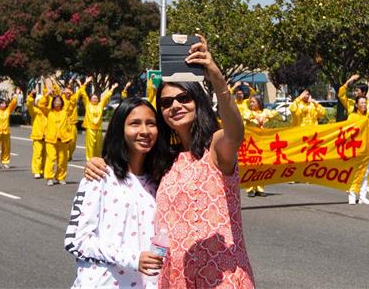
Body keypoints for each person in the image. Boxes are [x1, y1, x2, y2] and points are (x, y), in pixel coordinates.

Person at [85, 35, 255, 288]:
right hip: (174, 278)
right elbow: (130, 165)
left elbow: (235, 131)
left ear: (198, 101)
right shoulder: (165, 161)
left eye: (183, 98)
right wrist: (100, 163)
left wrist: (216, 77)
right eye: (166, 103)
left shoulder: (216, 148)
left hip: (221, 276)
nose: (175, 106)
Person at [65, 97, 169, 289]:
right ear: (119, 129)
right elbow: (76, 241)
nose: (144, 131)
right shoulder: (100, 175)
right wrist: (133, 259)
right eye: (135, 124)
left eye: (151, 124)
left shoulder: (159, 181)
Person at [38, 86, 76, 186]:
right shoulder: (48, 112)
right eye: (55, 101)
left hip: (63, 139)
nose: (57, 102)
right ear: (52, 102)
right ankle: (49, 177)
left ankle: (61, 177)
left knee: (63, 160)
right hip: (51, 139)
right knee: (51, 158)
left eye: (59, 101)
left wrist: (70, 94)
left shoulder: (65, 112)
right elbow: (40, 104)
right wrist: (46, 95)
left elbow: (72, 103)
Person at [244, 95, 279, 197]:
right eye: (250, 102)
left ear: (259, 102)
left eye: (253, 102)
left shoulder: (265, 112)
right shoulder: (248, 112)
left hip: (262, 142)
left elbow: (275, 113)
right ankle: (250, 188)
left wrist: (265, 117)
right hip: (251, 143)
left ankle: (260, 188)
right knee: (251, 165)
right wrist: (256, 117)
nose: (251, 104)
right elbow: (246, 116)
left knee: (262, 165)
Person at [79, 77, 118, 161]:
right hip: (90, 129)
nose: (95, 99)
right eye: (93, 98)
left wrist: (112, 88)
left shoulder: (100, 105)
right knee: (90, 146)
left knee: (98, 146)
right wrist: (85, 83)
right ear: (90, 99)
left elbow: (106, 97)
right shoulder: (88, 105)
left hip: (98, 129)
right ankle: (89, 160)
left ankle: (97, 160)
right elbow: (83, 93)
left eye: (96, 98)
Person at [346, 96, 369, 205]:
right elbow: (348, 133)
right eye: (362, 102)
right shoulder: (352, 117)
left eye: (365, 102)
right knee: (354, 173)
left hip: (366, 151)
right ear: (356, 105)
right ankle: (352, 195)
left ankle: (362, 196)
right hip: (354, 150)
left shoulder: (368, 118)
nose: (364, 105)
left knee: (365, 173)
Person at [26, 90, 48, 179]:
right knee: (37, 154)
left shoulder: (48, 111)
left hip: (47, 136)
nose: (45, 103)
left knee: (46, 155)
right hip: (38, 136)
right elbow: (29, 104)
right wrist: (31, 95)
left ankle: (43, 170)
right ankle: (37, 171)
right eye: (42, 101)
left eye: (46, 102)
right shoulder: (34, 111)